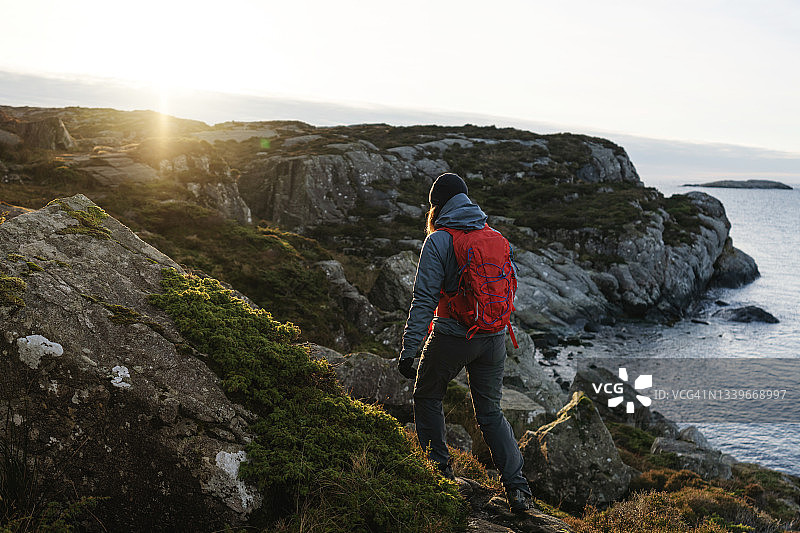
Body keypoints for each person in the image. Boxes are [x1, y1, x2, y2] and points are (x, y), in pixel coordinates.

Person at [397, 173, 533, 513]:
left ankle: (439, 475)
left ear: (437, 206)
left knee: (427, 395)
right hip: (494, 337)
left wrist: (409, 350)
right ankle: (518, 489)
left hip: (453, 336)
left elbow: (424, 300)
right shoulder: (493, 235)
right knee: (490, 413)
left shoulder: (439, 240)